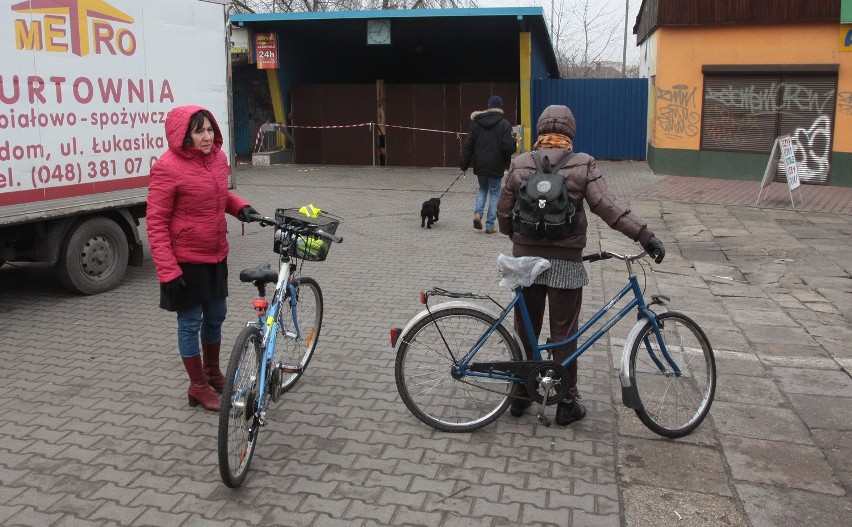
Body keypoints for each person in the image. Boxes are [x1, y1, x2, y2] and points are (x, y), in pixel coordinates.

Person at [496, 104, 665, 426]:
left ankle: (520, 394)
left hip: (524, 259)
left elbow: (503, 213)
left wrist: (517, 238)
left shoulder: (519, 164)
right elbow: (608, 206)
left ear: (540, 130)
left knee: (524, 329)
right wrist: (645, 236)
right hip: (566, 260)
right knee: (564, 332)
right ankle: (566, 401)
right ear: (570, 132)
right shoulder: (583, 163)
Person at [146, 105, 259, 412]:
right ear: (184, 135)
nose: (207, 136)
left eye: (210, 129)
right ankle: (197, 386)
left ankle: (213, 373)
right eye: (199, 131)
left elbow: (222, 197)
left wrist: (241, 207)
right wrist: (167, 270)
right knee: (190, 322)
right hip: (185, 259)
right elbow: (155, 222)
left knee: (217, 314)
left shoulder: (218, 159)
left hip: (216, 253)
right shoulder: (167, 167)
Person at [460, 95, 515, 234]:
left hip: (480, 165)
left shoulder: (476, 123)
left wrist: (464, 164)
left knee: (482, 189)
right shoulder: (504, 124)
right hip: (496, 165)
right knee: (495, 192)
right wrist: (508, 157)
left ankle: (477, 214)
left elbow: (468, 145)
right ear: (500, 107)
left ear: (488, 106)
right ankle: (490, 225)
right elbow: (508, 147)